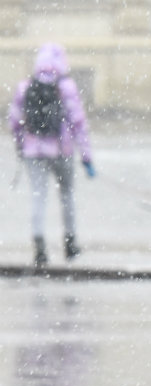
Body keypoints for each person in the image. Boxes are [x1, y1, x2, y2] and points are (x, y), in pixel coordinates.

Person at [7, 43, 95, 268]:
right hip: (61, 150)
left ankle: (39, 247)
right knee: (66, 195)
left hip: (33, 152)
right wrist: (86, 156)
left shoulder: (25, 86)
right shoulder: (66, 87)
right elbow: (78, 122)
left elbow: (14, 120)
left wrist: (21, 144)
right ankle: (70, 243)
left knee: (38, 197)